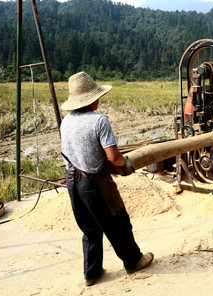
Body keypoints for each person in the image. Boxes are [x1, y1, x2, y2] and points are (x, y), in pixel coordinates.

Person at [60, 71, 153, 286]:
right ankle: (133, 261)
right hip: (95, 183)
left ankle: (91, 273)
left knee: (90, 228)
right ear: (92, 100)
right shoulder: (99, 120)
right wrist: (125, 165)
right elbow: (114, 157)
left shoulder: (66, 122)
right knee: (117, 222)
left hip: (72, 181)